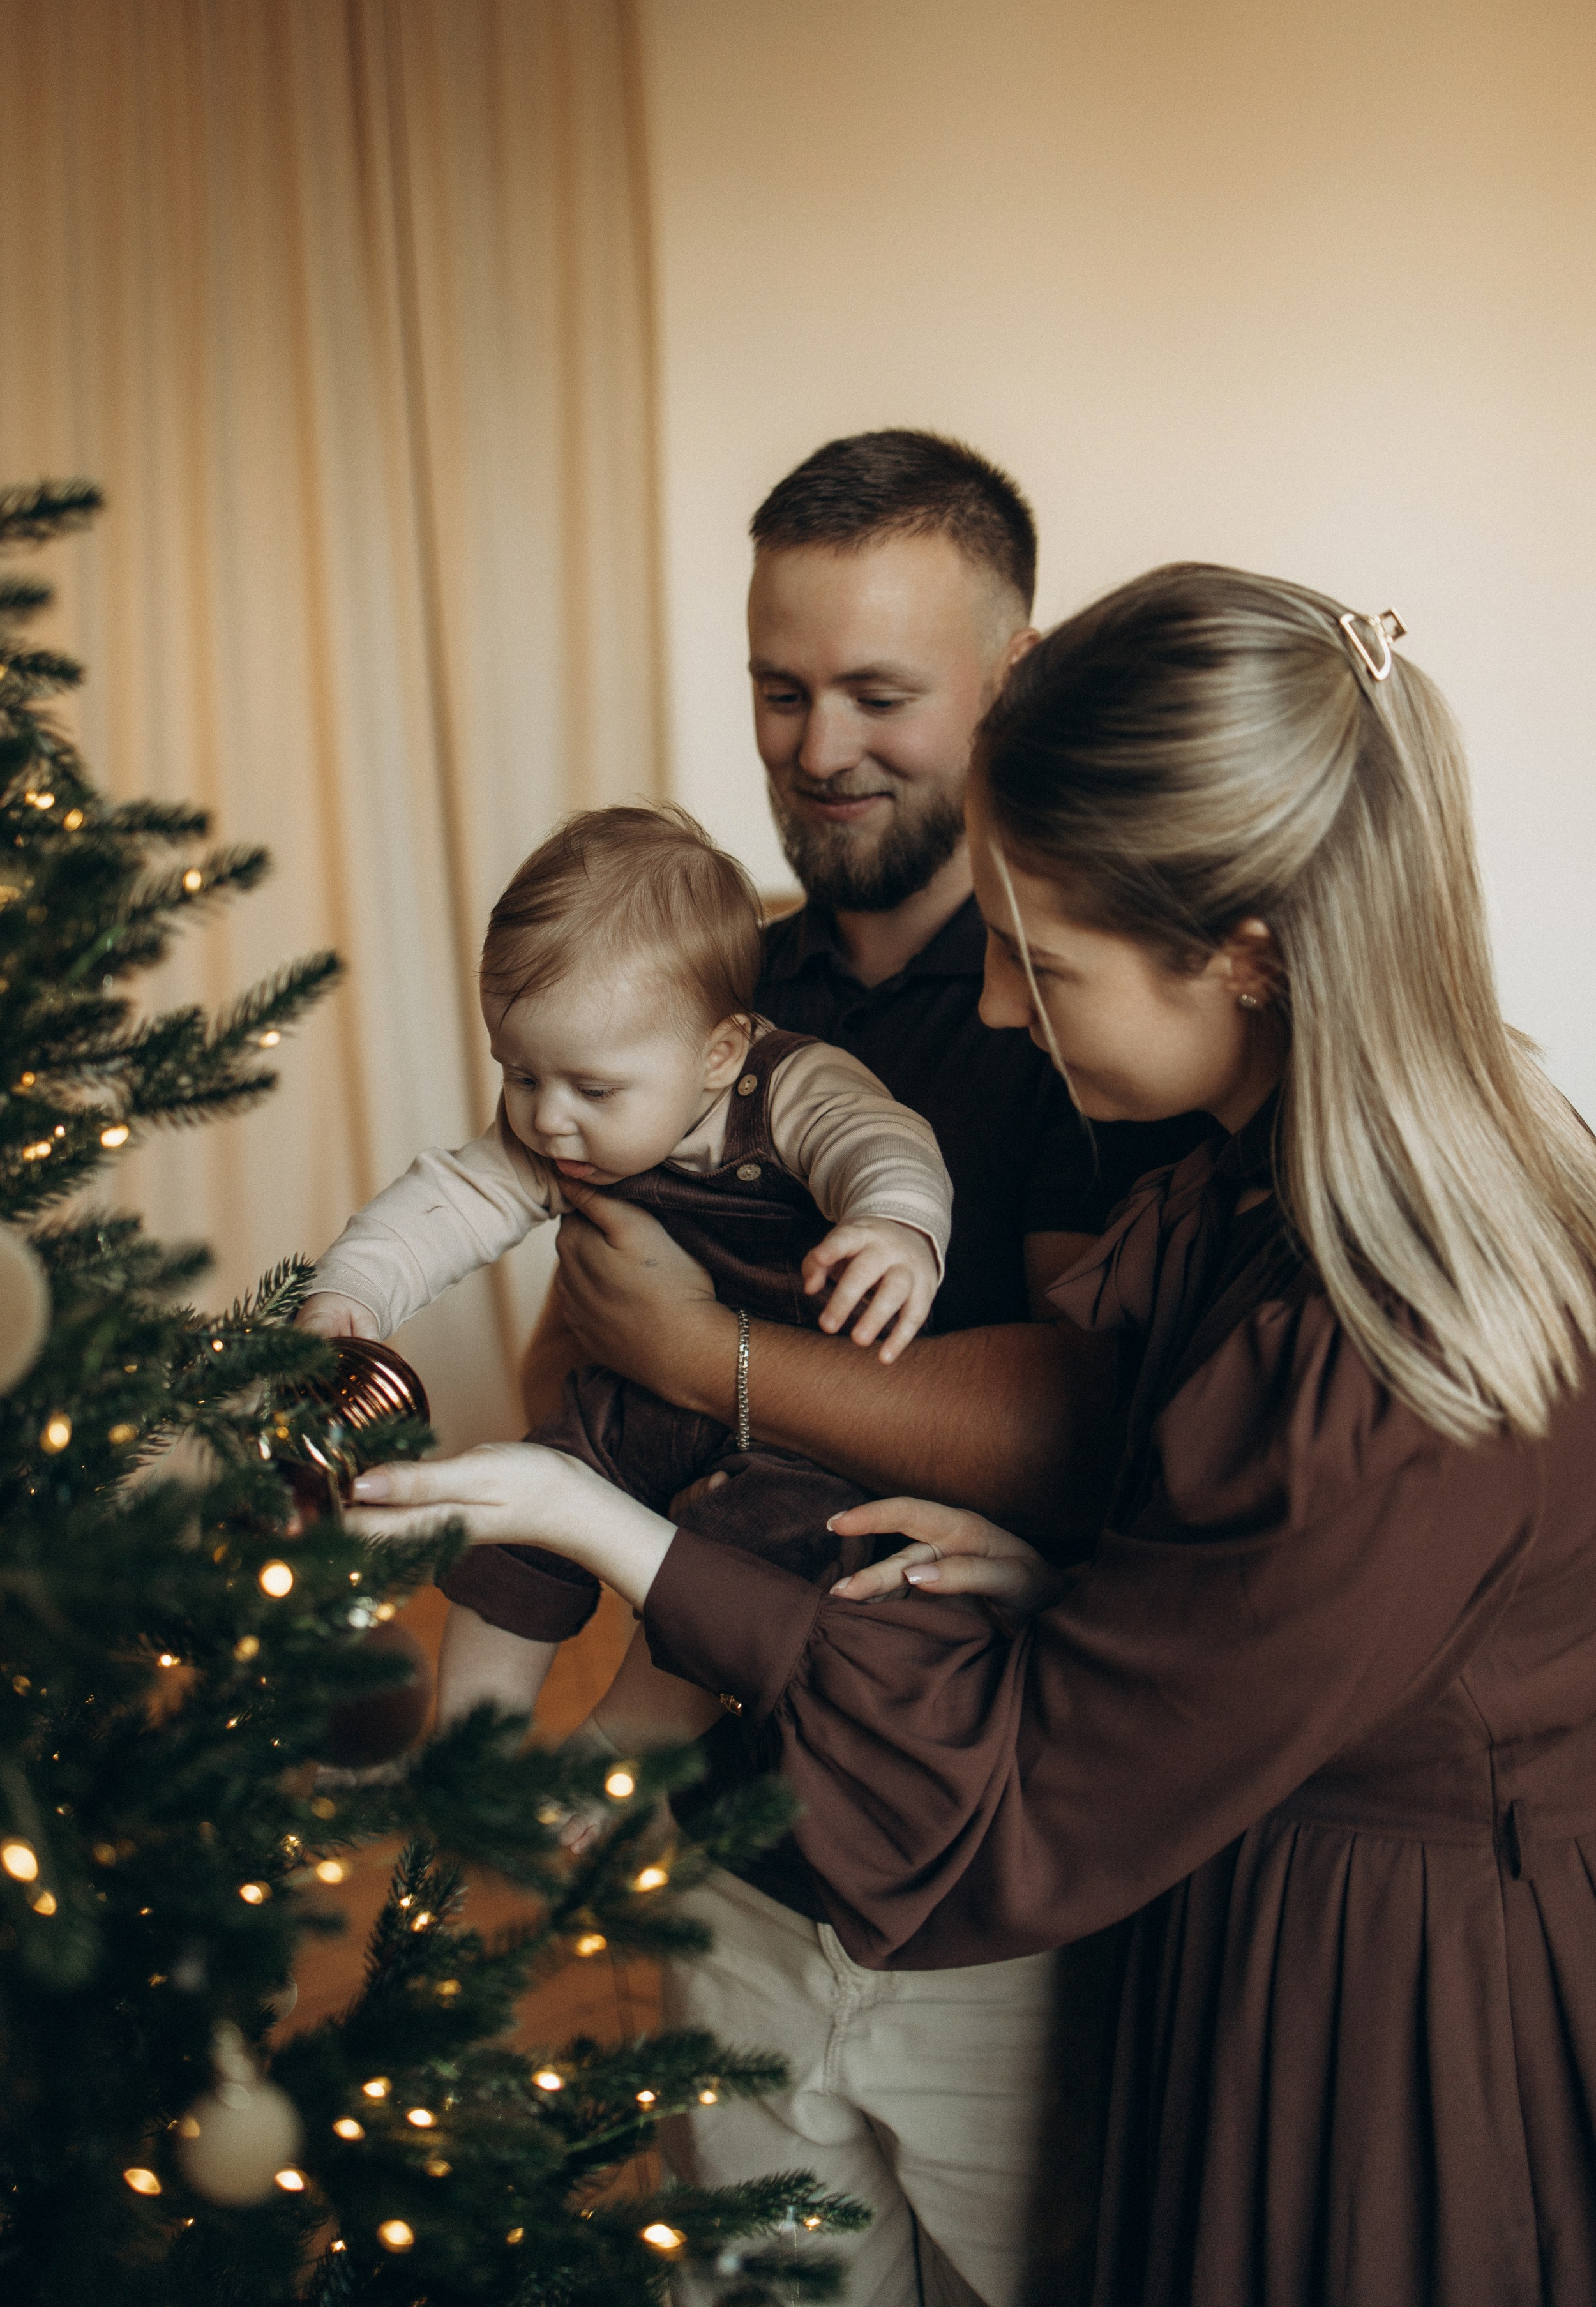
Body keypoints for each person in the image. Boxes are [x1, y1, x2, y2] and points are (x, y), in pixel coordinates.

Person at [345, 563, 1596, 2307]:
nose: (1009, 1014)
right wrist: (1071, 1567)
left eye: (1045, 961)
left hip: (1395, 2002)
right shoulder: (1272, 1177)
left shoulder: (1379, 1345)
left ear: (1244, 958)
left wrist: (605, 1527)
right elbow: (1188, 1512)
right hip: (1246, 1881)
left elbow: (1027, 1791)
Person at [446, 433, 1204, 2307]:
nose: (816, 747)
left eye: (881, 692)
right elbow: (587, 1349)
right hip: (729, 1838)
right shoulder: (714, 995)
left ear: (1012, 680)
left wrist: (710, 1353)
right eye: (780, 691)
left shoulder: (1084, 1016)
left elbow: (1088, 1426)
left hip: (982, 1878)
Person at [300, 801, 952, 1740]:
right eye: (520, 1076)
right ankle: (471, 1736)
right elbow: (442, 1204)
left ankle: (618, 1753)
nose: (548, 1120)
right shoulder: (559, 1138)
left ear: (718, 1053)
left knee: (737, 1567)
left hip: (801, 1432)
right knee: (520, 1501)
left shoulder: (793, 1087)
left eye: (592, 1090)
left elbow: (883, 1143)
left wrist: (896, 1226)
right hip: (636, 1402)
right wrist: (348, 1294)